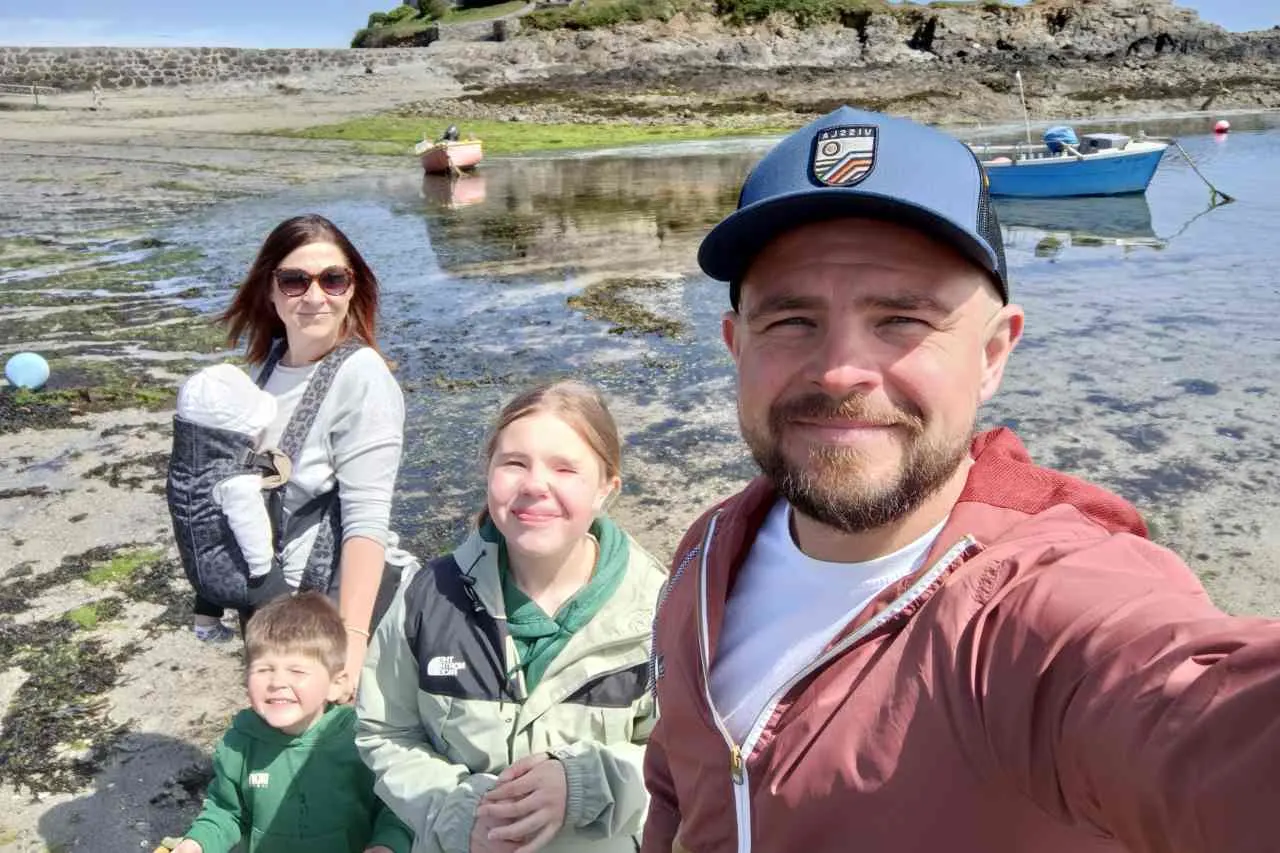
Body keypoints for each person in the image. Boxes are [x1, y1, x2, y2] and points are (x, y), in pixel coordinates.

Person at [641, 105, 1280, 853]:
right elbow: (678, 785)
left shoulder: (1039, 606)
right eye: (790, 321)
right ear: (735, 344)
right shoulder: (706, 551)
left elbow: (1195, 717)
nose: (841, 369)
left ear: (993, 353)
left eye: (902, 319)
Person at [356, 380, 665, 853]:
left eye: (565, 468)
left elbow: (689, 759)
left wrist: (586, 784)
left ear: (607, 487)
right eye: (515, 463)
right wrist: (459, 813)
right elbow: (385, 731)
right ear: (489, 473)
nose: (535, 485)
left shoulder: (662, 613)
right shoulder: (427, 598)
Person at [194, 213, 414, 695]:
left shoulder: (363, 376)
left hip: (333, 610)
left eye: (333, 279)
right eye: (295, 281)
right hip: (278, 604)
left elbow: (366, 520)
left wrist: (351, 647)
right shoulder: (268, 369)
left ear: (353, 288)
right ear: (270, 292)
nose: (316, 296)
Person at [170, 592, 413, 853]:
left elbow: (395, 808)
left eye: (296, 671)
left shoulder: (360, 741)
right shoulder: (239, 744)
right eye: (264, 670)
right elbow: (225, 813)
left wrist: (387, 845)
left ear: (336, 684)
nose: (277, 683)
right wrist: (195, 844)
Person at [176, 364, 279, 595]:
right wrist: (263, 568)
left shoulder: (187, 466)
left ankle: (206, 624)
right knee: (282, 597)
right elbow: (250, 525)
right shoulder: (236, 481)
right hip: (236, 580)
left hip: (200, 575)